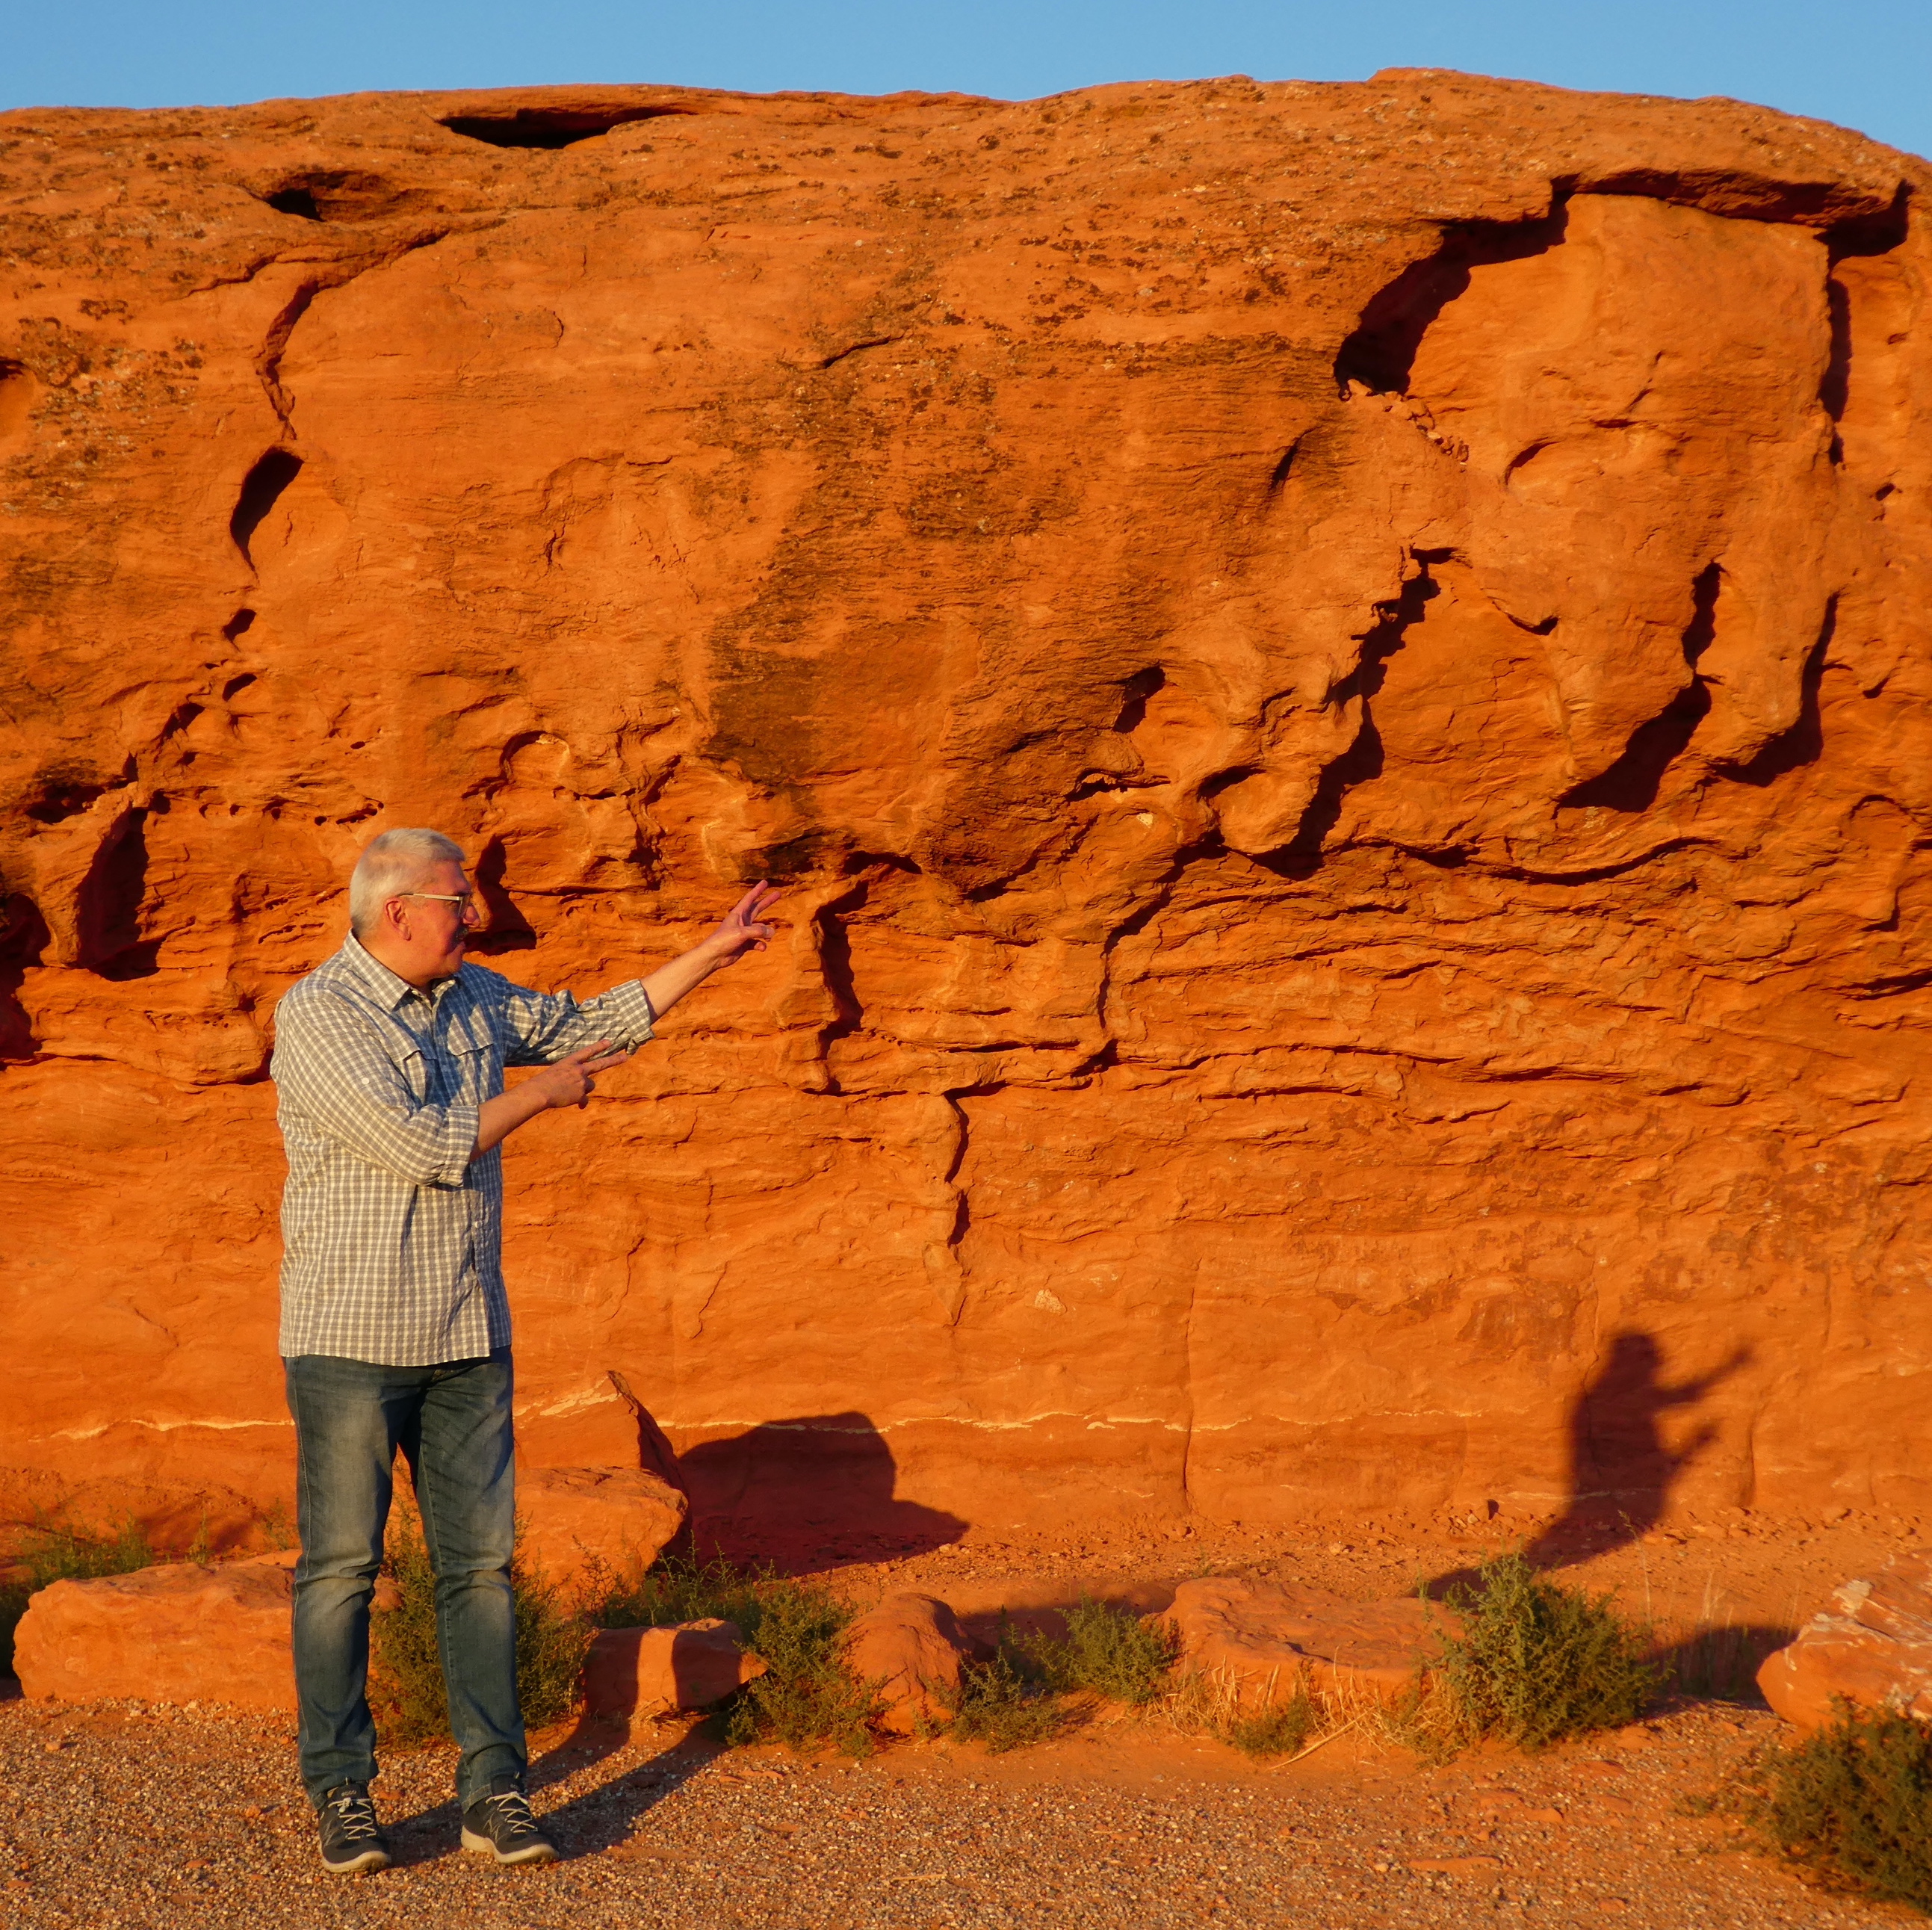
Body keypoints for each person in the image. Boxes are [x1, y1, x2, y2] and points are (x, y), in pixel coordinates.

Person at [270, 826, 778, 1875]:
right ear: (398, 909)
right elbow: (422, 1148)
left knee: (483, 1573)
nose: (478, 916)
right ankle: (342, 1795)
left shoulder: (473, 996)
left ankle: (492, 1792)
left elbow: (592, 1023)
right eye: (460, 901)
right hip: (350, 1341)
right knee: (340, 1573)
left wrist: (708, 954)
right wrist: (541, 1093)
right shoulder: (320, 1014)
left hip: (466, 1336)